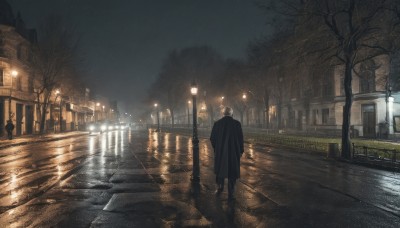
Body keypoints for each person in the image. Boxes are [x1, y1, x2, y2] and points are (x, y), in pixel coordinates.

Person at [210, 106, 244, 200]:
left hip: (221, 151)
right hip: (234, 151)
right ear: (231, 114)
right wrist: (240, 150)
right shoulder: (237, 124)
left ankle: (220, 186)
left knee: (220, 168)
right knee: (232, 171)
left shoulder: (217, 124)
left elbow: (212, 138)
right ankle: (231, 190)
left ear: (223, 113)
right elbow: (241, 139)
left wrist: (217, 148)